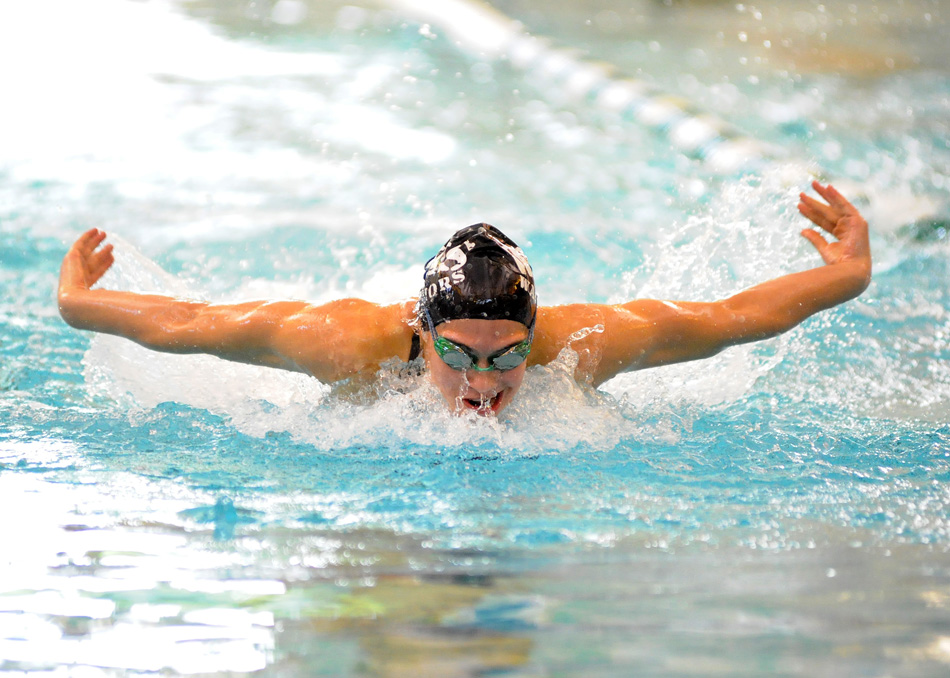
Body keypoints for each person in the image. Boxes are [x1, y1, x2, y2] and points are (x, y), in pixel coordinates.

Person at [58, 181, 871, 416]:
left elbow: (733, 319)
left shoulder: (584, 344)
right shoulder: (345, 344)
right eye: (458, 356)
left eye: (506, 355)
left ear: (535, 330)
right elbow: (194, 326)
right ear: (423, 329)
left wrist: (849, 274)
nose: (483, 383)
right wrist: (76, 303)